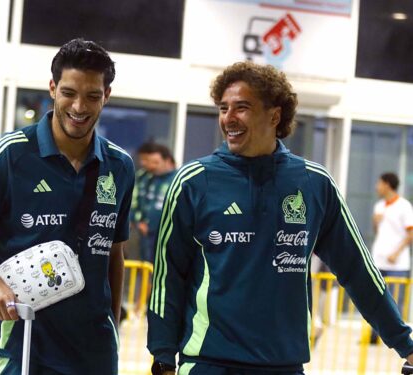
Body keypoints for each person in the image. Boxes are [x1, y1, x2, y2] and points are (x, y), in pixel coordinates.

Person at [147, 61, 413, 375]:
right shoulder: (193, 181)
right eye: (223, 108)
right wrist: (163, 358)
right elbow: (168, 277)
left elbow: (358, 270)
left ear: (274, 115)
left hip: (285, 365)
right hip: (209, 363)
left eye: (241, 107)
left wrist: (405, 343)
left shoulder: (314, 183)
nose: (229, 118)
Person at [0, 38, 134, 375]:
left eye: (93, 96)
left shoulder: (119, 165)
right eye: (69, 93)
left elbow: (114, 253)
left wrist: (112, 324)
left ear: (106, 95)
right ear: (52, 88)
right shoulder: (12, 154)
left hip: (95, 352)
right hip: (26, 342)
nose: (79, 107)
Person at [369, 172, 413, 343]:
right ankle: (374, 336)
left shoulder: (404, 206)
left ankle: (398, 340)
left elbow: (410, 233)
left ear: (387, 184)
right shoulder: (379, 206)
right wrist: (374, 221)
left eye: (379, 183)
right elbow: (378, 233)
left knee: (395, 302)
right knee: (375, 299)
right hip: (378, 261)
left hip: (398, 265)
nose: (376, 187)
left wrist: (396, 253)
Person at [133, 142, 176, 263]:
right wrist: (139, 221)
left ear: (167, 161)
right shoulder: (147, 178)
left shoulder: (178, 179)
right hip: (146, 233)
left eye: (155, 162)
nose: (151, 166)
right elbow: (140, 203)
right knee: (146, 267)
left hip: (166, 235)